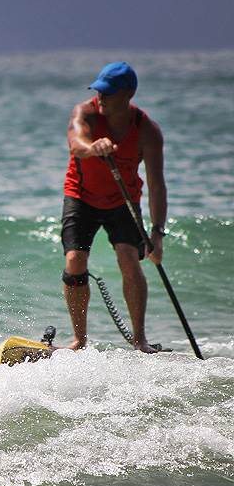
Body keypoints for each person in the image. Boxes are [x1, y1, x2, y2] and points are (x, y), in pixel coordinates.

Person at [62, 61, 167, 353]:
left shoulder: (147, 131)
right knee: (75, 260)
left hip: (123, 200)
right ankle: (79, 341)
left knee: (129, 258)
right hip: (81, 196)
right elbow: (76, 142)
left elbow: (157, 186)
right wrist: (92, 148)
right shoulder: (85, 112)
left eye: (108, 93)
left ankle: (140, 340)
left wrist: (157, 234)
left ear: (128, 94)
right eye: (99, 91)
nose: (101, 97)